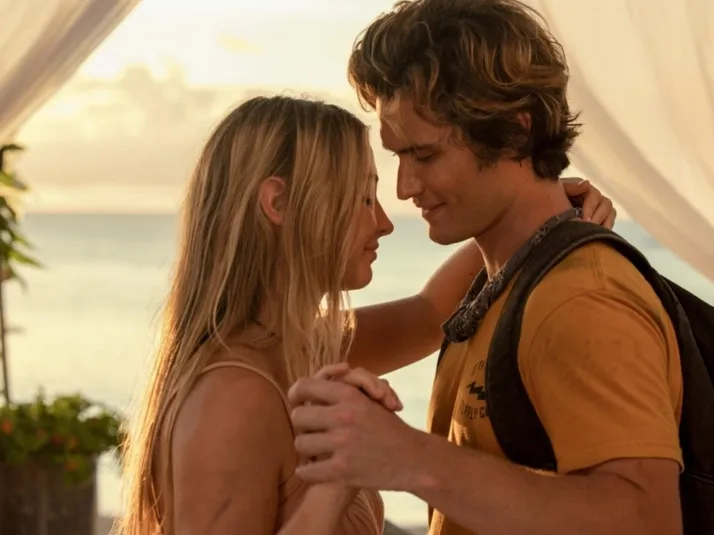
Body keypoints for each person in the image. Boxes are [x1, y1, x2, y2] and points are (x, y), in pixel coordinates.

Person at [117, 95, 614, 534]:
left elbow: (428, 316)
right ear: (278, 202)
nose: (383, 222)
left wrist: (541, 214)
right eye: (362, 197)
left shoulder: (299, 348)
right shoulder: (234, 396)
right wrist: (338, 478)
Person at [287, 1, 683, 535]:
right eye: (398, 156)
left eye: (425, 156)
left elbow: (647, 519)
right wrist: (548, 216)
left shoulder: (580, 298)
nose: (404, 188)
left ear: (515, 134)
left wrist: (408, 457)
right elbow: (425, 314)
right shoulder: (498, 287)